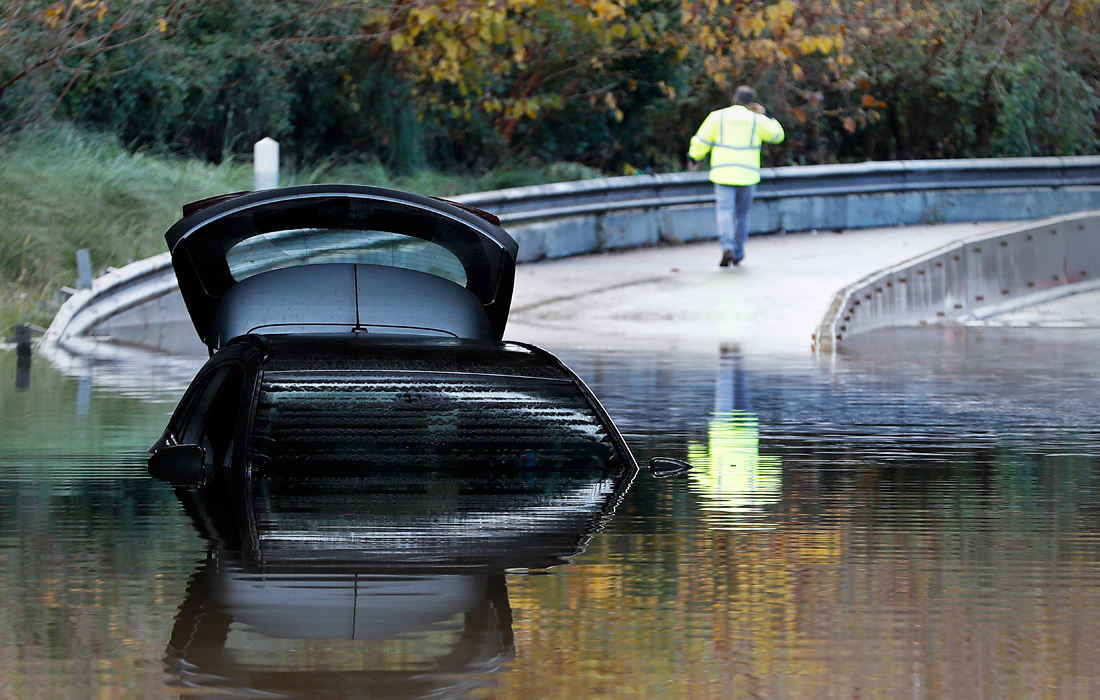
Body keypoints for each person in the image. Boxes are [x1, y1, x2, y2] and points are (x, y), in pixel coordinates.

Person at [688, 85, 784, 267]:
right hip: (748, 175)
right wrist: (765, 115)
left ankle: (727, 246)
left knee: (724, 211)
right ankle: (739, 252)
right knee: (742, 215)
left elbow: (701, 140)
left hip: (723, 173)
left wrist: (694, 157)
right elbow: (778, 135)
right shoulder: (756, 119)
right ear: (752, 103)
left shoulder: (718, 117)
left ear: (734, 99)